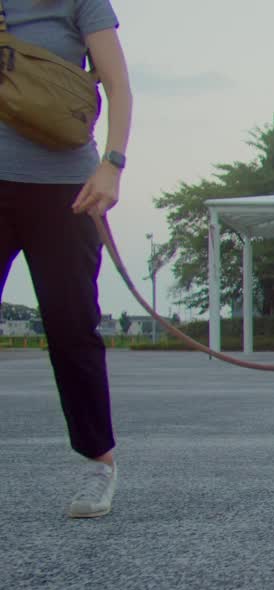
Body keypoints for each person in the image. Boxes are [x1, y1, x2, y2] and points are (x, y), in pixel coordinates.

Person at [0, 0, 133, 518]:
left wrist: (112, 166)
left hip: (67, 189)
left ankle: (98, 464)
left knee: (72, 327)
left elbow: (118, 86)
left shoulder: (82, 2)